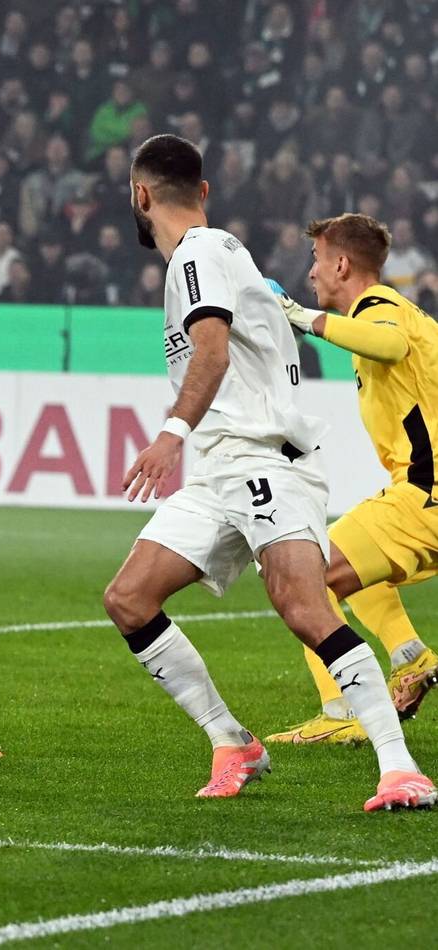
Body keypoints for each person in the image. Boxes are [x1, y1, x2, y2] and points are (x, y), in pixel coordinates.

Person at [104, 134, 433, 812]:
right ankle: (233, 741)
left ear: (140, 196)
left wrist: (170, 435)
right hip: (223, 469)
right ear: (202, 190)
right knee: (129, 599)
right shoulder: (225, 254)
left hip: (262, 465)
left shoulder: (196, 255)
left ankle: (398, 768)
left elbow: (213, 353)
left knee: (306, 606)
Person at [266, 213, 438, 745]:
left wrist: (300, 316)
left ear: (341, 263)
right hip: (420, 496)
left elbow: (385, 344)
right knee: (347, 563)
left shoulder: (381, 309)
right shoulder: (406, 315)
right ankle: (410, 658)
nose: (312, 273)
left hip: (426, 495)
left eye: (317, 260)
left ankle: (341, 711)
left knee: (303, 575)